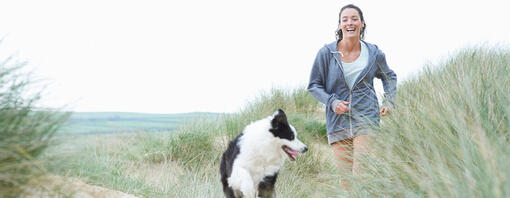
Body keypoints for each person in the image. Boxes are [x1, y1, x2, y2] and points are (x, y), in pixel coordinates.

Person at [307, 4, 397, 189]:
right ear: (340, 25)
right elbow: (314, 85)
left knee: (361, 174)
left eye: (354, 19)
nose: (350, 23)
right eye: (345, 19)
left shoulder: (374, 54)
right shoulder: (327, 53)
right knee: (346, 180)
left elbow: (389, 76)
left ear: (362, 23)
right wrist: (332, 102)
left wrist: (389, 101)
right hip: (337, 120)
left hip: (366, 116)